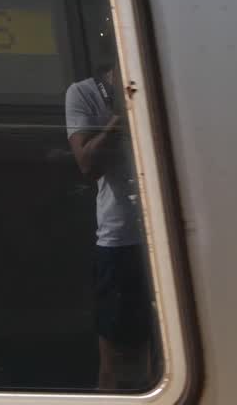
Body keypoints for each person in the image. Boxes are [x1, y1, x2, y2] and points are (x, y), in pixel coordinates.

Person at [66, 63, 153, 390]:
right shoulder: (84, 93)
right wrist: (122, 115)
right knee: (117, 362)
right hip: (122, 239)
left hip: (171, 234)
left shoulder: (167, 82)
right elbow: (87, 165)